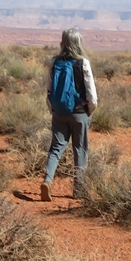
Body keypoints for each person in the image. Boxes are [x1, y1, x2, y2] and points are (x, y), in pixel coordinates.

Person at [41, 28, 98, 202]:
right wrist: (89, 110)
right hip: (79, 113)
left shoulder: (55, 62)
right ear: (78, 43)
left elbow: (49, 90)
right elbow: (91, 94)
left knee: (56, 148)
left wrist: (54, 110)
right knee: (80, 149)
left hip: (59, 112)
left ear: (63, 42)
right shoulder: (83, 63)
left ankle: (47, 180)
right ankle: (79, 190)